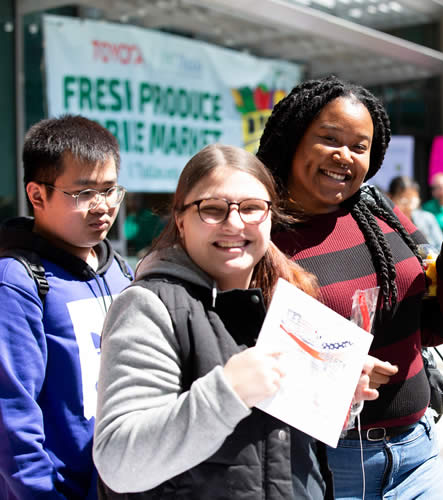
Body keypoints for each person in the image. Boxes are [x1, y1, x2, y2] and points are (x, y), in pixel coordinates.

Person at [256, 75, 443, 499]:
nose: (344, 156)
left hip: (417, 455)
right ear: (293, 138)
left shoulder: (381, 215)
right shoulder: (258, 235)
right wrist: (332, 373)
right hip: (324, 468)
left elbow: (433, 330)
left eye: (359, 146)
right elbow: (239, 356)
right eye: (329, 139)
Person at [93, 144, 386, 499]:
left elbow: (281, 451)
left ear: (271, 217)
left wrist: (337, 391)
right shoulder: (148, 307)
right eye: (213, 210)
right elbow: (119, 462)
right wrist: (227, 392)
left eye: (251, 208)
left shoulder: (288, 301)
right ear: (181, 220)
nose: (234, 223)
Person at [0, 115, 133, 499]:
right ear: (38, 195)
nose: (102, 206)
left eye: (110, 190)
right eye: (83, 194)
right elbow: (12, 420)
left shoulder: (119, 271)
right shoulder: (19, 282)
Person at [387, 175, 443, 249]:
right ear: (390, 198)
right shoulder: (386, 223)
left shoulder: (427, 218)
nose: (408, 206)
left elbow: (441, 246)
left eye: (412, 200)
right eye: (403, 200)